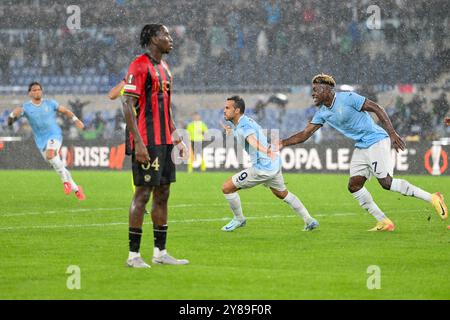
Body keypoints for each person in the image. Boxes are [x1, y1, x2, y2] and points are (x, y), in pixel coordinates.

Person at [278, 74, 448, 231]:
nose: (313, 94)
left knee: (386, 183)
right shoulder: (322, 113)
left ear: (326, 90)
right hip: (362, 146)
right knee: (354, 185)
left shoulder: (348, 98)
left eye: (315, 90)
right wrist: (283, 143)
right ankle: (383, 221)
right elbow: (305, 134)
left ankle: (433, 197)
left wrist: (392, 133)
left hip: (376, 140)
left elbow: (377, 108)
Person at [122, 24, 188, 268]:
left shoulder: (165, 68)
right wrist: (138, 143)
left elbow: (165, 105)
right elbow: (127, 105)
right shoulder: (138, 65)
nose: (170, 39)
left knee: (163, 193)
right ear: (152, 38)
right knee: (142, 194)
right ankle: (133, 256)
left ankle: (160, 253)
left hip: (164, 142)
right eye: (166, 35)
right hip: (147, 142)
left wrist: (176, 136)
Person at [221, 96, 318, 232]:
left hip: (263, 168)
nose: (224, 110)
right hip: (274, 163)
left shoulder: (244, 125)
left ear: (236, 111)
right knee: (282, 193)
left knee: (227, 188)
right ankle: (309, 220)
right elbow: (246, 134)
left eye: (227, 108)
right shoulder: (242, 123)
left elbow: (252, 140)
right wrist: (231, 132)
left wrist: (266, 150)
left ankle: (239, 219)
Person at [7, 82, 86, 200]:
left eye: (39, 89)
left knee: (51, 155)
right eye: (34, 90)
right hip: (41, 141)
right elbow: (10, 122)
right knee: (57, 164)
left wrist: (76, 120)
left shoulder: (50, 103)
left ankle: (65, 182)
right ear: (29, 93)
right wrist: (12, 116)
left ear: (42, 91)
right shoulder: (26, 108)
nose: (37, 91)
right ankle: (76, 189)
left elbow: (65, 111)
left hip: (54, 135)